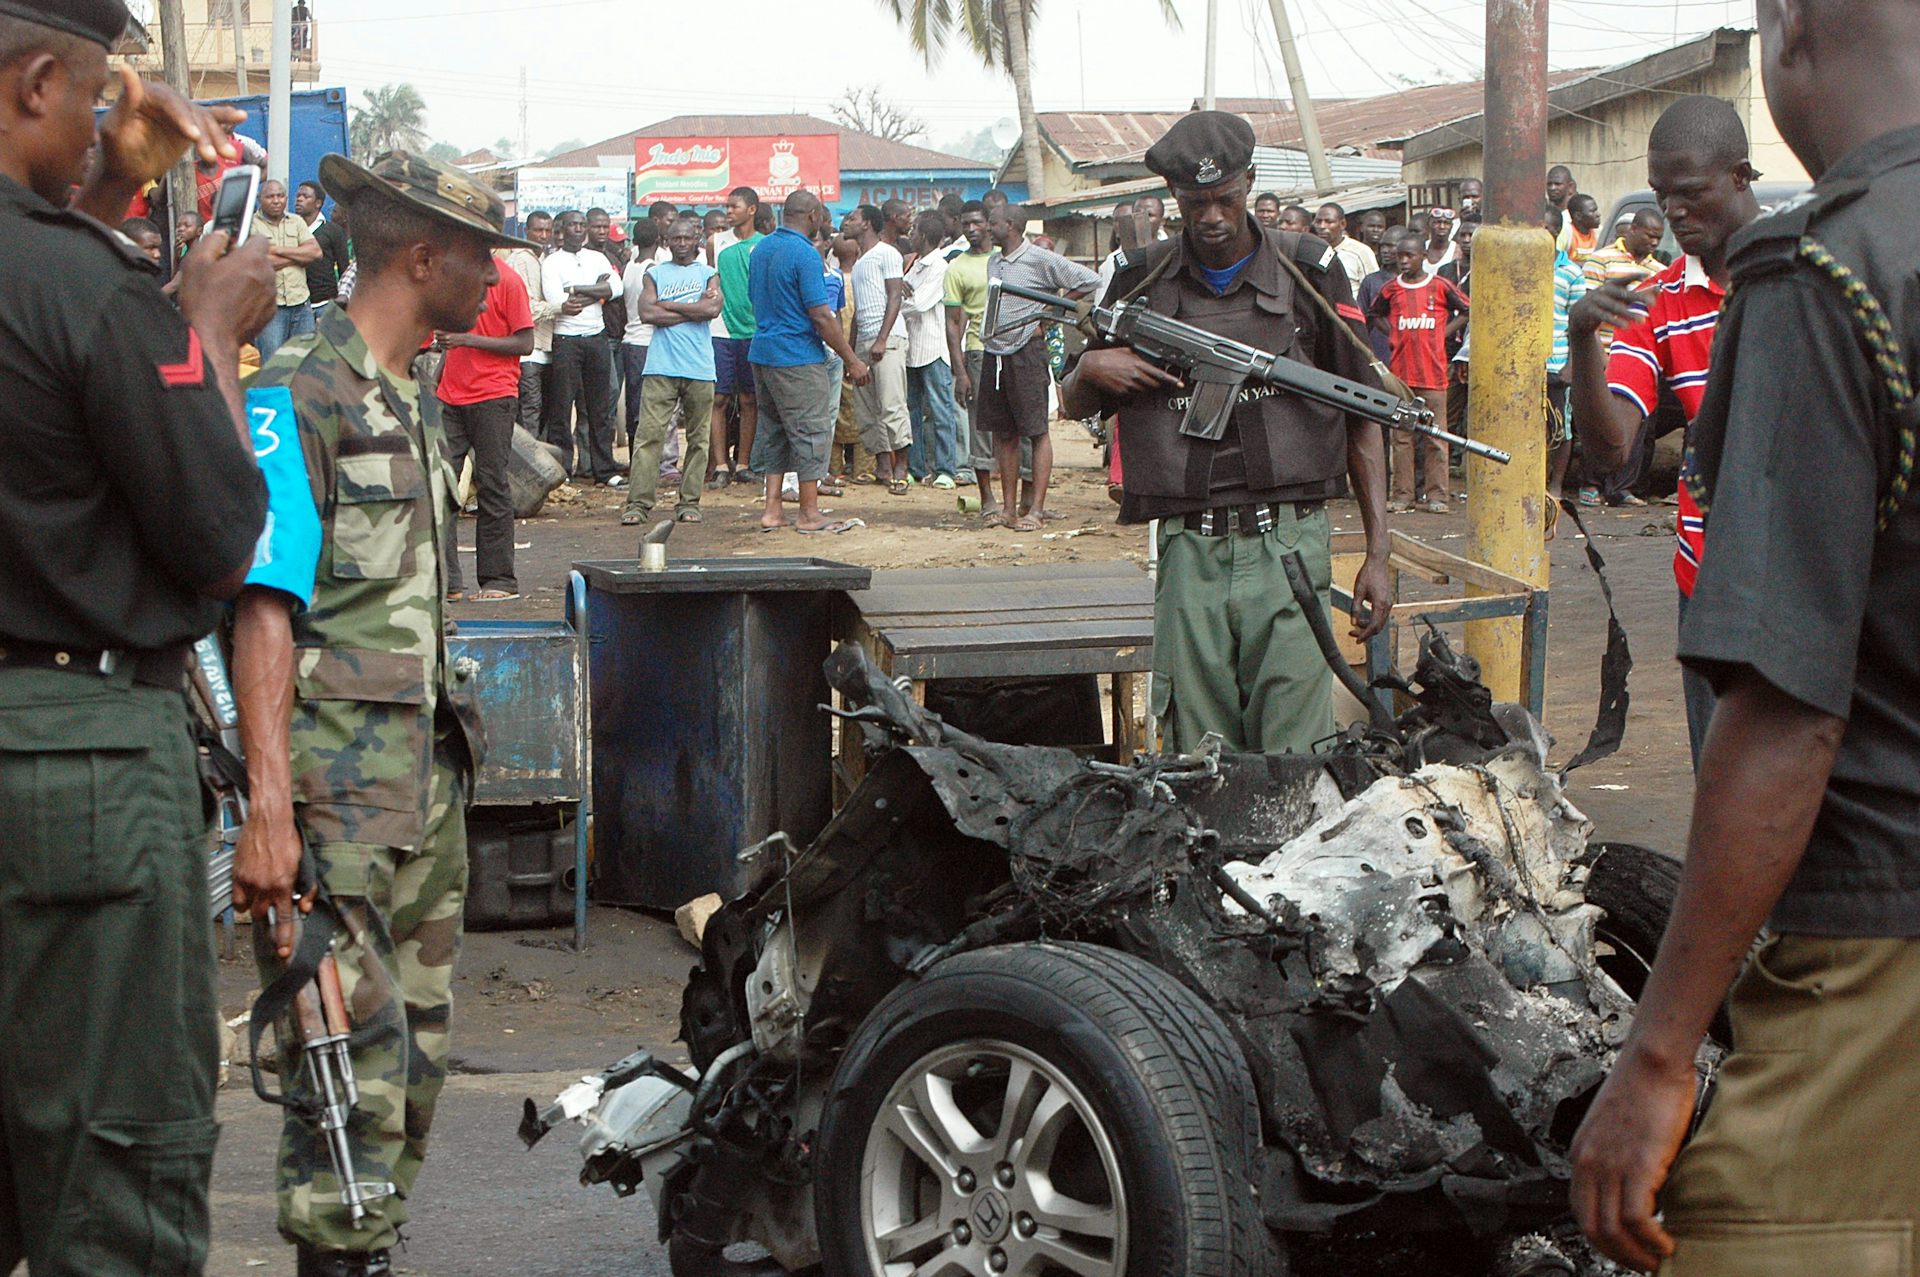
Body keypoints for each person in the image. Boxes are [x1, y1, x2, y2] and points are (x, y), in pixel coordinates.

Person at [1571, 6, 1920, 1272]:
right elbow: (1618, 448)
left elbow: (1786, 710)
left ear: (1790, 34)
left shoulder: (1826, 271)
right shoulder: (1690, 303)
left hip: (1882, 945)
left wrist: (1658, 1057)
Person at [0, 4, 275, 1269]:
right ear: (38, 81)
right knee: (111, 1183)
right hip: (79, 765)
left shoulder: (70, 272)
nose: (109, 123)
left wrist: (108, 180)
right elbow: (223, 537)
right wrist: (206, 328)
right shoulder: (96, 293)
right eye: (97, 100)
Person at [231, 149, 528, 1277]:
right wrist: (267, 807)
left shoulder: (404, 389)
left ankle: (370, 1253)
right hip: (334, 804)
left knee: (410, 1076)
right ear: (420, 254)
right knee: (341, 1090)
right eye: (480, 252)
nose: (494, 274)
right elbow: (262, 603)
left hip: (421, 785)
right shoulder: (299, 390)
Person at [1063, 110, 1392, 755]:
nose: (1211, 216)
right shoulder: (1139, 277)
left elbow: (1362, 414)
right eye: (1194, 203)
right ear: (1173, 199)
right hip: (1190, 549)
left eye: (1225, 199)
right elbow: (1074, 403)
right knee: (1199, 752)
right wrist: (1091, 367)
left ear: (1249, 183)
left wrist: (1378, 554)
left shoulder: (1310, 271)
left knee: (1297, 755)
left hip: (1291, 543)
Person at [1567, 94, 1759, 767]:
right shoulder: (1659, 306)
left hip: (1820, 583)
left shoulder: (1808, 275)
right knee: (1725, 783)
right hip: (1711, 584)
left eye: (1691, 193)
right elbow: (1612, 452)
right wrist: (1582, 335)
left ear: (1740, 177)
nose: (1674, 212)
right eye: (1660, 195)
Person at [747, 189, 871, 531]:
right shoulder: (804, 254)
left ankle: (772, 510)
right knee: (811, 432)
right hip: (797, 356)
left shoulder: (762, 249)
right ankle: (809, 512)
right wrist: (851, 359)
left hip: (763, 351)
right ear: (814, 216)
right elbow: (820, 314)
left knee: (773, 431)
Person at [978, 199, 1096, 530]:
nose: (988, 227)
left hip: (1028, 351)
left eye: (993, 222)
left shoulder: (1039, 258)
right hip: (996, 351)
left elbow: (1088, 280)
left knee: (1036, 430)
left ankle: (1037, 511)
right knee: (1004, 433)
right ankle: (1009, 510)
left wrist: (1051, 313)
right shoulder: (994, 262)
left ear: (1011, 226)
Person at [438, 247, 534, 602]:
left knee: (493, 483)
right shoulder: (451, 278)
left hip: (494, 394)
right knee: (441, 487)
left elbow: (526, 342)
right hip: (451, 393)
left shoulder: (508, 280)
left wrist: (467, 340)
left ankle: (499, 580)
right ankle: (448, 581)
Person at [625, 214, 718, 527]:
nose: (681, 244)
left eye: (687, 238)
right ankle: (638, 504)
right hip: (661, 366)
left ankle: (689, 501)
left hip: (700, 367)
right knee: (648, 436)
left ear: (697, 240)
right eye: (675, 238)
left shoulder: (709, 274)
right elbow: (647, 313)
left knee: (699, 439)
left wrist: (671, 306)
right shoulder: (655, 272)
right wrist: (693, 311)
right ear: (667, 241)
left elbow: (712, 310)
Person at [1369, 229, 1469, 512]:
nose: (1403, 261)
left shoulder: (1440, 286)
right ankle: (1402, 496)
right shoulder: (1391, 289)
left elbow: (1466, 310)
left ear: (1423, 257)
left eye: (1409, 255)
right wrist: (1394, 334)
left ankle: (1438, 496)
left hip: (1433, 374)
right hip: (1401, 377)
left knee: (1436, 437)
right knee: (1402, 438)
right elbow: (1373, 314)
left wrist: (1442, 334)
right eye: (1400, 256)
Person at [1574, 207, 1666, 506]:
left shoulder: (1659, 272)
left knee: (1639, 427)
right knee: (1598, 421)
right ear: (1633, 230)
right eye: (1650, 236)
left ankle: (1622, 488)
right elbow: (1588, 306)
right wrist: (1596, 353)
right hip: (1604, 352)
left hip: (1641, 357)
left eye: (1659, 238)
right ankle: (1591, 484)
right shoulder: (1600, 260)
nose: (1654, 243)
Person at [541, 208, 623, 482]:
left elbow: (617, 289)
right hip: (566, 340)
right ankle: (562, 471)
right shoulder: (552, 262)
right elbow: (561, 304)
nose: (578, 229)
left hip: (596, 337)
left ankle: (604, 470)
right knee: (562, 409)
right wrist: (596, 291)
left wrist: (576, 288)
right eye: (572, 225)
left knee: (600, 408)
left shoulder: (597, 258)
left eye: (581, 224)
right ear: (561, 229)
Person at [846, 202, 912, 493]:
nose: (846, 222)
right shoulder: (861, 262)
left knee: (892, 404)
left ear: (867, 224)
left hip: (888, 340)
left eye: (852, 218)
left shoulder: (887, 253)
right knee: (867, 409)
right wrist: (851, 353)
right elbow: (860, 312)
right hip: (864, 343)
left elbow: (895, 296)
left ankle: (902, 468)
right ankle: (883, 465)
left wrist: (882, 339)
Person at [901, 209, 960, 488]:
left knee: (940, 409)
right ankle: (916, 467)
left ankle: (946, 469)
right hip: (913, 348)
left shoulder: (939, 267)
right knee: (912, 408)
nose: (910, 235)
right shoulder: (916, 265)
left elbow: (918, 303)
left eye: (913, 231)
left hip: (934, 348)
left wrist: (896, 305)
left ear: (923, 235)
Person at [707, 186, 761, 486]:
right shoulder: (716, 242)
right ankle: (720, 465)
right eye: (726, 206)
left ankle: (743, 463)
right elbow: (712, 279)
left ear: (751, 209)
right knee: (719, 398)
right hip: (722, 329)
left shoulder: (764, 245)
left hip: (754, 329)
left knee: (750, 399)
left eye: (734, 206)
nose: (728, 211)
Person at [943, 199, 994, 496]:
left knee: (1020, 429)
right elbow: (952, 324)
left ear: (988, 222)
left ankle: (1026, 504)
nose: (972, 229)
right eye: (966, 224)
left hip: (1015, 352)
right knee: (980, 427)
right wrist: (959, 371)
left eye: (977, 222)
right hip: (978, 352)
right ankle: (987, 499)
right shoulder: (956, 268)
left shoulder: (1006, 258)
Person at [502, 208, 558, 441]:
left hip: (548, 348)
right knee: (529, 413)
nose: (543, 235)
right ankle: (527, 470)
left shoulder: (546, 260)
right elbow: (528, 309)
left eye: (547, 230)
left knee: (543, 412)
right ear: (527, 231)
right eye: (538, 230)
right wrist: (561, 305)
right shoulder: (519, 260)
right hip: (528, 352)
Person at [253, 176, 322, 359]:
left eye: (281, 196)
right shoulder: (251, 226)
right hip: (270, 309)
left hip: (301, 305)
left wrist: (276, 250)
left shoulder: (297, 221)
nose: (276, 201)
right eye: (270, 197)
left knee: (305, 364)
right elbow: (260, 263)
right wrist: (299, 256)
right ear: (260, 198)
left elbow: (315, 252)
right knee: (272, 365)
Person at [1544, 203, 1585, 499]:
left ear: (1556, 233)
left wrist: (1571, 365)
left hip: (1556, 362)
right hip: (1524, 364)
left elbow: (1578, 324)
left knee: (1561, 428)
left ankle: (1556, 485)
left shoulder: (1571, 272)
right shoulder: (1517, 267)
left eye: (1545, 231)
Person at [296, 178, 350, 313]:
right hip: (298, 305)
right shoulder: (290, 229)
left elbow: (344, 266)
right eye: (298, 196)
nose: (299, 199)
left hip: (325, 303)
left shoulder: (333, 230)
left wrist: (343, 302)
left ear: (318, 203)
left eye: (306, 196)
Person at [1314, 201, 1378, 295]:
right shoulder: (1312, 251)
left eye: (1329, 222)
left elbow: (1373, 290)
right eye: (1318, 222)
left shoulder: (1360, 252)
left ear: (1342, 224)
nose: (1322, 226)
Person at [1565, 192, 1602, 261]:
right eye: (1592, 211)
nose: (1598, 214)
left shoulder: (1599, 233)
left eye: (1596, 210)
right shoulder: (1567, 233)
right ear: (1578, 216)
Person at [1422, 205, 1458, 272]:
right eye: (1437, 222)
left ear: (1452, 226)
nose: (1442, 227)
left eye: (1446, 223)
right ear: (1429, 223)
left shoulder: (1457, 251)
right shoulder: (1421, 248)